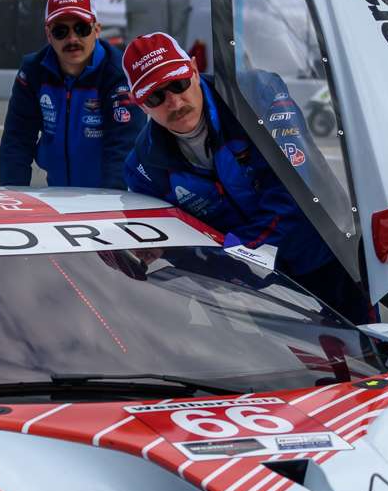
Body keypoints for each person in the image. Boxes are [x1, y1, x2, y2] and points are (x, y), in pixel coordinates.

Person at [120, 31, 367, 321]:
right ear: (139, 104)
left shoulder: (256, 95)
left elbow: (294, 195)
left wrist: (227, 256)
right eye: (155, 96)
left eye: (178, 83)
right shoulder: (143, 168)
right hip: (253, 291)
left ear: (195, 70)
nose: (174, 102)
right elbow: (172, 242)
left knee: (366, 343)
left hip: (327, 256)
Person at [0, 0, 140, 188]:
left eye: (81, 28)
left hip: (109, 195)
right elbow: (17, 141)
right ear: (48, 34)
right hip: (57, 194)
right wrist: (13, 198)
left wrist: (110, 202)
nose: (72, 39)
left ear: (97, 30)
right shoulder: (33, 71)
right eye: (61, 31)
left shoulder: (119, 73)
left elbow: (123, 149)